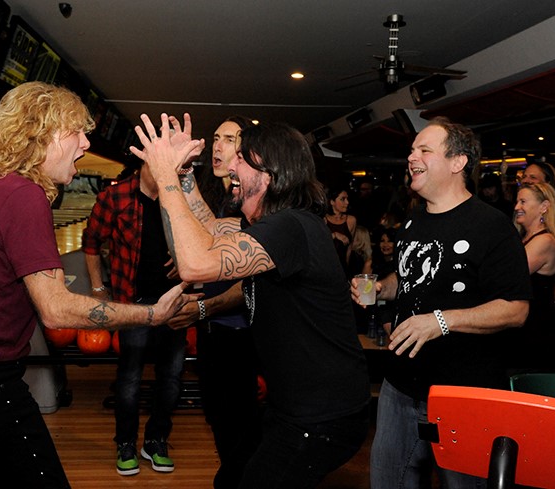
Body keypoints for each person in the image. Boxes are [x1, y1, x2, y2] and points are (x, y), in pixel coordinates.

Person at [0, 82, 195, 489]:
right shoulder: (23, 195)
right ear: (43, 132)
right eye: (77, 131)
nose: (86, 143)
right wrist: (152, 314)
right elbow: (55, 309)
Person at [132, 113, 371, 489]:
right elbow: (208, 231)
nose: (231, 165)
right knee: (233, 475)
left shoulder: (292, 227)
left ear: (270, 174)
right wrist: (184, 172)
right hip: (293, 406)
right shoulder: (268, 225)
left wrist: (164, 176)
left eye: (242, 158)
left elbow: (195, 262)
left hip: (323, 415)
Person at [352, 117, 531, 489]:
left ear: (457, 162)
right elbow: (409, 278)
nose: (411, 157)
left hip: (462, 391)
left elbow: (516, 308)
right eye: (411, 150)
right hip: (400, 384)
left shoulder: (491, 226)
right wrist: (381, 288)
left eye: (424, 150)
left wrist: (440, 321)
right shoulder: (414, 221)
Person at [166, 115, 262, 489]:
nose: (218, 146)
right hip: (214, 331)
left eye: (229, 139)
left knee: (241, 424)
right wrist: (186, 171)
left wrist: (202, 307)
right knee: (219, 418)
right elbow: (209, 229)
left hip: (241, 334)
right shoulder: (228, 200)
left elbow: (248, 286)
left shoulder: (256, 207)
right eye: (216, 137)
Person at [81, 155, 187, 477]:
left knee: (172, 379)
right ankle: (125, 443)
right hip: (133, 303)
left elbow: (200, 239)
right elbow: (91, 241)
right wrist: (98, 289)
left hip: (175, 300)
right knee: (130, 379)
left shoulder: (179, 195)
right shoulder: (115, 196)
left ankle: (155, 441)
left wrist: (184, 260)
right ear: (144, 160)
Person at [504, 182, 555, 371]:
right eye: (517, 201)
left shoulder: (545, 241)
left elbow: (507, 276)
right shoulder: (524, 239)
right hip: (522, 332)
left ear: (544, 207)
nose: (517, 207)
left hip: (535, 334)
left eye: (523, 201)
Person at [325, 185, 356, 275]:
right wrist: (334, 235)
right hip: (325, 268)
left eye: (347, 199)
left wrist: (346, 268)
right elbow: (317, 243)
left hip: (342, 268)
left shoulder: (351, 220)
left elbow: (349, 247)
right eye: (342, 199)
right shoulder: (323, 220)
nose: (347, 202)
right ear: (332, 202)